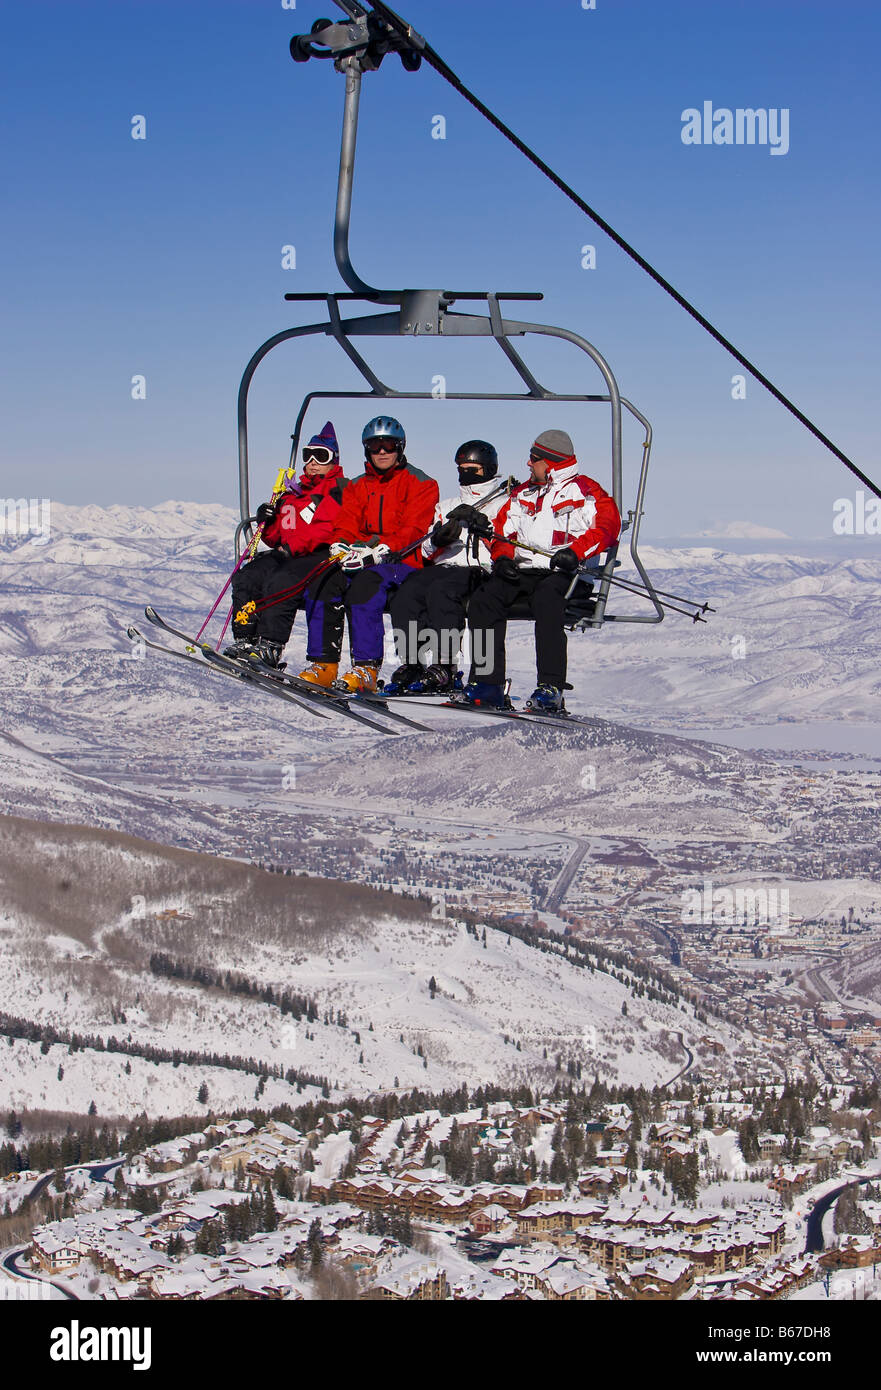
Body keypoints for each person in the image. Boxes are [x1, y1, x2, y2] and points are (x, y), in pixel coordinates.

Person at [464, 428, 621, 711]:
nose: (528, 464)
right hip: (525, 572)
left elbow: (607, 528)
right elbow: (503, 531)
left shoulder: (584, 491)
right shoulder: (523, 493)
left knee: (548, 600)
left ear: (550, 462)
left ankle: (551, 687)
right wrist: (502, 558)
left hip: (566, 574)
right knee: (484, 599)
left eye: (533, 458)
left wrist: (575, 553)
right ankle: (488, 684)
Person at [298, 416, 439, 692]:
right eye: (376, 447)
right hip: (363, 557)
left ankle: (366, 668)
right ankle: (324, 664)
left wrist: (380, 550)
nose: (382, 452)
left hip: (403, 560)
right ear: (367, 450)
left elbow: (414, 528)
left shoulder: (421, 483)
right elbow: (347, 521)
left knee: (365, 585)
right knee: (324, 580)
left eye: (388, 445)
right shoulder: (358, 485)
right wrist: (340, 542)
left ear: (400, 448)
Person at [384, 439, 507, 695]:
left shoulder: (503, 503)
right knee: (407, 591)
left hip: (478, 568)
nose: (467, 474)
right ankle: (413, 662)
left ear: (489, 468)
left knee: (442, 590)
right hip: (444, 566)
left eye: (473, 469)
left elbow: (507, 540)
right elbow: (427, 549)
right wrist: (439, 539)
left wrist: (482, 526)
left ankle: (445, 666)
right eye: (462, 468)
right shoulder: (447, 506)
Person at [223, 422, 347, 667]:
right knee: (248, 576)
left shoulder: (337, 490)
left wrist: (293, 548)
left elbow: (327, 528)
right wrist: (266, 521)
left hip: (317, 554)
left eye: (321, 456)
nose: (312, 462)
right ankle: (246, 636)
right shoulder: (292, 494)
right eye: (308, 455)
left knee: (281, 580)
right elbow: (275, 536)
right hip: (287, 552)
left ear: (333, 461)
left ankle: (271, 643)